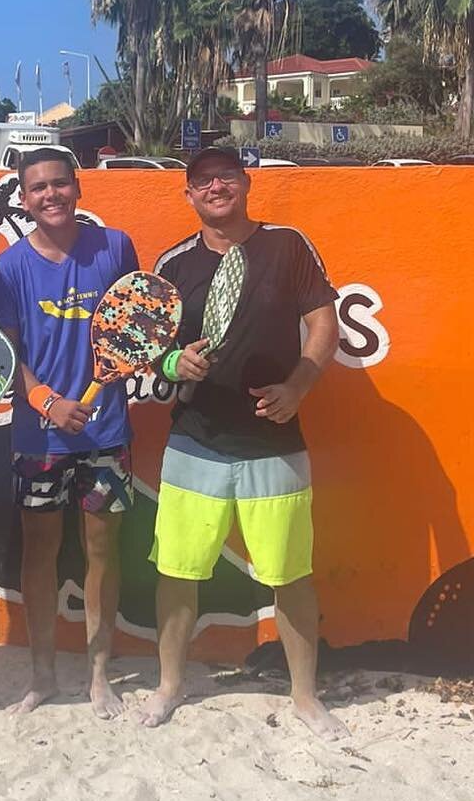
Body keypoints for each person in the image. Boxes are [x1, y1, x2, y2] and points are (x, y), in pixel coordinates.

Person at [137, 145, 345, 738]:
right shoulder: (174, 263)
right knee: (178, 572)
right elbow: (153, 343)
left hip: (275, 442)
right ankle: (170, 686)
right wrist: (176, 361)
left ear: (246, 182)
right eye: (202, 181)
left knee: (290, 575)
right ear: (189, 195)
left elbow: (324, 325)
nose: (215, 187)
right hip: (194, 443)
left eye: (225, 176)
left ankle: (305, 696)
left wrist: (299, 386)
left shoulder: (287, 246)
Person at [0, 147, 138, 718]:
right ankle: (44, 675)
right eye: (37, 188)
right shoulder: (10, 267)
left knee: (103, 552)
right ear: (23, 200)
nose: (49, 195)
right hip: (38, 440)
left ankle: (101, 676)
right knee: (40, 554)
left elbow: (133, 324)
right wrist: (46, 402)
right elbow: (4, 351)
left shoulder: (115, 246)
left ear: (78, 188)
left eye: (59, 184)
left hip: (106, 432)